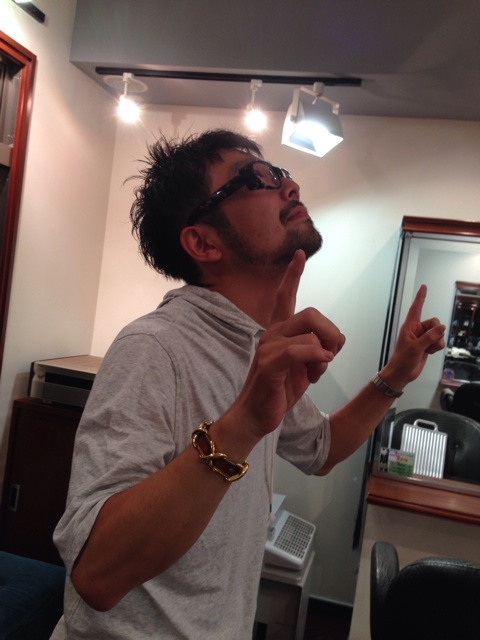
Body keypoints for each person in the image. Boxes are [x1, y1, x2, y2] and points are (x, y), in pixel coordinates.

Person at [53, 129, 445, 639]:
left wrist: (396, 375)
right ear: (203, 242)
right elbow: (96, 575)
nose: (289, 186)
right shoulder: (154, 347)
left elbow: (322, 449)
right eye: (254, 178)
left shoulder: (260, 348)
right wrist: (242, 425)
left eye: (279, 173)